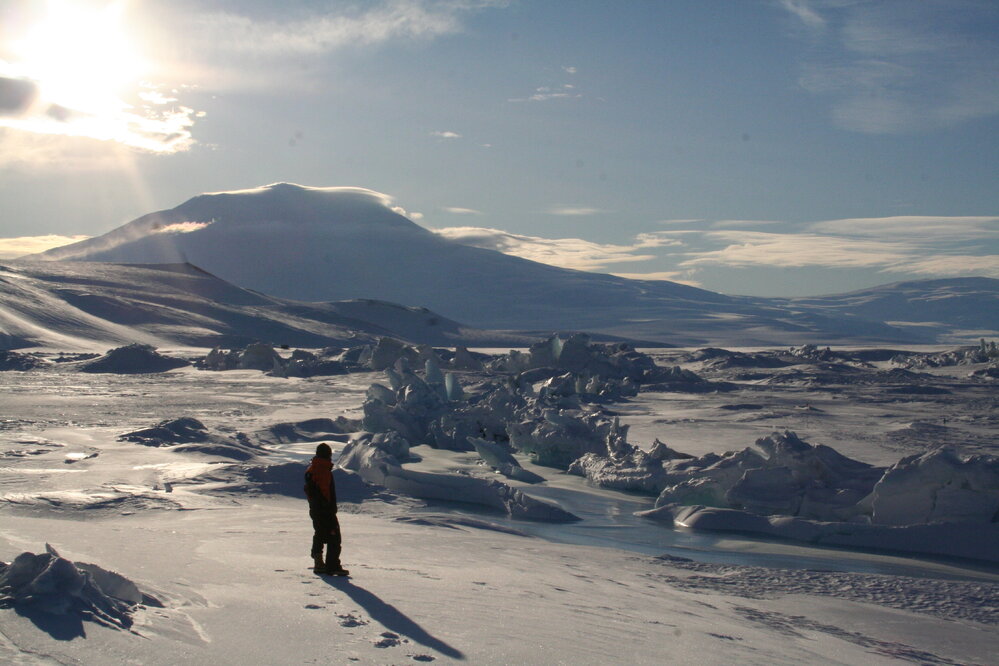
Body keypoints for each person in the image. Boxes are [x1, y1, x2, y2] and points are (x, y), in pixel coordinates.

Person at [304, 443, 348, 575]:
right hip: (325, 509)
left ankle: (319, 563)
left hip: (315, 509)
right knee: (334, 537)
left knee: (320, 533)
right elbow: (325, 491)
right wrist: (328, 507)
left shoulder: (311, 469)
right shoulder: (323, 470)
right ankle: (332, 565)